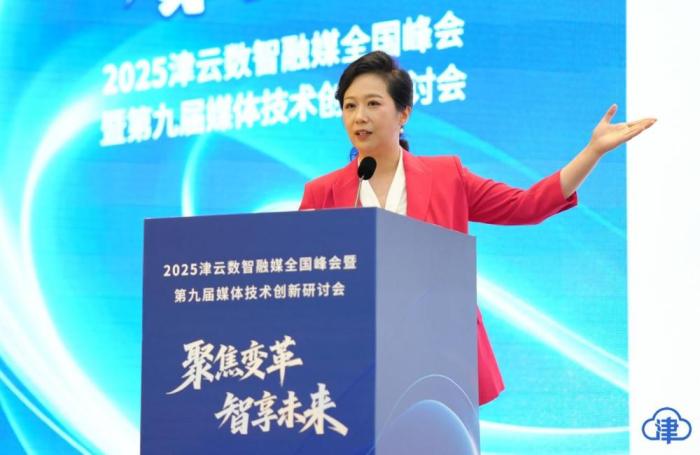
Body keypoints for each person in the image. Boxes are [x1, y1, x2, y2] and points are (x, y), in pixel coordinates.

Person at [299, 50, 655, 405]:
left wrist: (592, 152)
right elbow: (300, 282)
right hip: (355, 363)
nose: (359, 116)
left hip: (439, 353)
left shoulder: (445, 176)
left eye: (373, 104)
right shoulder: (322, 192)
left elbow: (526, 206)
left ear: (403, 113)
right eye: (349, 106)